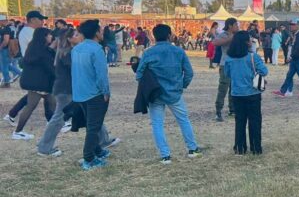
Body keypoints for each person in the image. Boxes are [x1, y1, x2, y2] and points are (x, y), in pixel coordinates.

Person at [37, 28, 120, 157]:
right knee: (59, 118)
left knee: (91, 115)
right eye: (76, 35)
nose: (79, 37)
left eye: (79, 34)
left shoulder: (73, 51)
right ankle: (44, 147)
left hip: (75, 89)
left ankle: (103, 140)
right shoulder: (68, 53)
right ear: (69, 39)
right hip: (67, 90)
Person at [135, 24, 199, 164]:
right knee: (183, 120)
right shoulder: (178, 51)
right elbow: (189, 73)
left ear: (154, 36)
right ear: (169, 35)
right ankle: (192, 149)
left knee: (157, 124)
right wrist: (182, 85)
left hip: (155, 94)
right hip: (174, 93)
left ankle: (165, 155)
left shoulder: (148, 53)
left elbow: (139, 74)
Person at [71, 20, 112, 170]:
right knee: (93, 127)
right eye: (100, 30)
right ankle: (89, 157)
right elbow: (101, 75)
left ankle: (97, 150)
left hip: (80, 93)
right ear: (95, 33)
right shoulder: (97, 50)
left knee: (92, 123)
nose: (102, 33)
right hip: (94, 94)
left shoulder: (76, 49)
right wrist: (105, 92)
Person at [224, 30, 268, 154]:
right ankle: (256, 148)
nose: (251, 41)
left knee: (240, 122)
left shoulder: (229, 59)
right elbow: (264, 71)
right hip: (253, 93)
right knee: (255, 121)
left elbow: (227, 74)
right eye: (249, 39)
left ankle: (240, 147)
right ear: (246, 43)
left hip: (237, 94)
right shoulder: (253, 57)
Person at [11, 27, 56, 141]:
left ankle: (55, 124)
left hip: (35, 82)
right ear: (44, 36)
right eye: (49, 35)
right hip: (40, 83)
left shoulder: (34, 46)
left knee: (50, 102)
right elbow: (50, 67)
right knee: (34, 106)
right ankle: (18, 131)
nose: (51, 37)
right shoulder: (42, 50)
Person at [212, 18, 239, 121]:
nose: (238, 27)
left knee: (234, 88)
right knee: (223, 88)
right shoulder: (223, 34)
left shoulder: (238, 35)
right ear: (230, 26)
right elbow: (215, 43)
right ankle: (218, 111)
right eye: (236, 25)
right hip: (225, 65)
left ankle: (232, 110)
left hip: (236, 65)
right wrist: (230, 38)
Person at [0, 15, 22, 87]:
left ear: (2, 21)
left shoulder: (6, 29)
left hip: (5, 49)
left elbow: (6, 41)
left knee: (4, 66)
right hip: (9, 49)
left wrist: (0, 47)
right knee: (7, 65)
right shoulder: (10, 28)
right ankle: (21, 74)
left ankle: (7, 82)